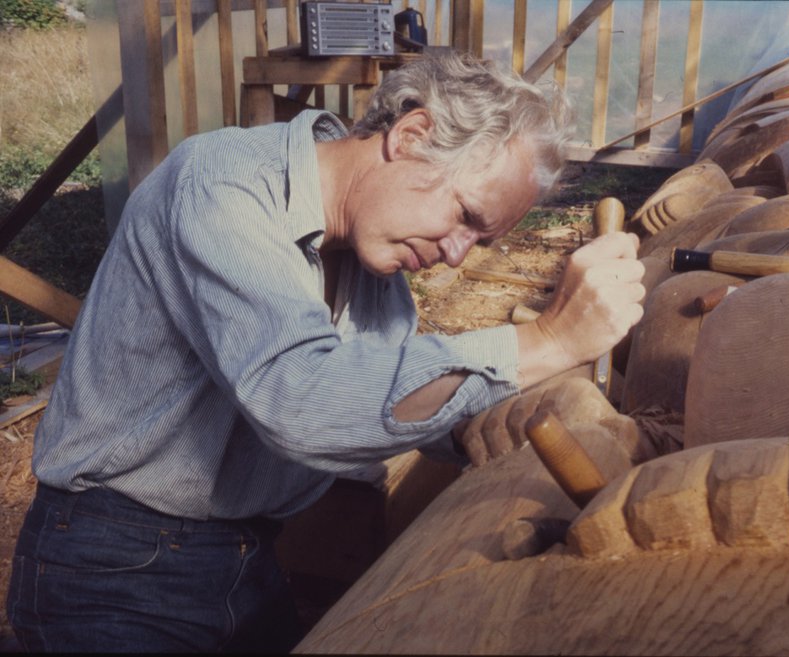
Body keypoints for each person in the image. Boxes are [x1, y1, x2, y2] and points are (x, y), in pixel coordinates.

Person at [6, 51, 646, 652]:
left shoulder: (379, 284)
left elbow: (372, 396)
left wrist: (493, 420)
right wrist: (548, 339)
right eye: (465, 216)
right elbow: (303, 403)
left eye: (478, 241)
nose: (456, 251)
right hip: (114, 567)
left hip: (247, 558)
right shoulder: (224, 186)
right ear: (412, 135)